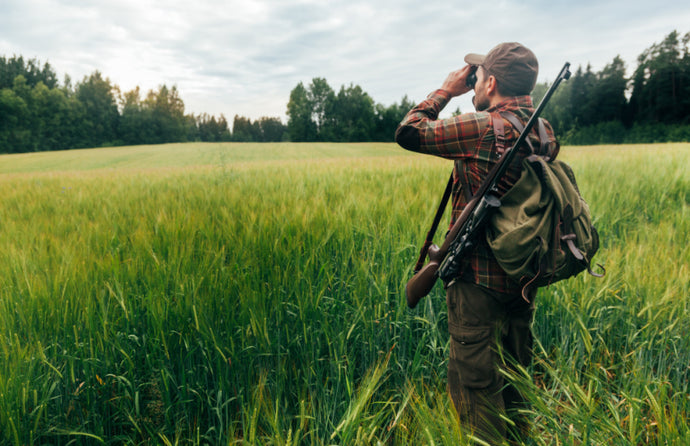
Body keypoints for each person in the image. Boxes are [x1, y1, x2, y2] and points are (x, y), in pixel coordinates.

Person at [395, 42, 559, 444]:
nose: (473, 86)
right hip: (522, 281)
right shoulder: (542, 130)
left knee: (477, 405)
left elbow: (408, 131)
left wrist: (446, 91)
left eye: (477, 77)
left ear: (491, 82)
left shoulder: (482, 128)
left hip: (476, 285)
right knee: (516, 392)